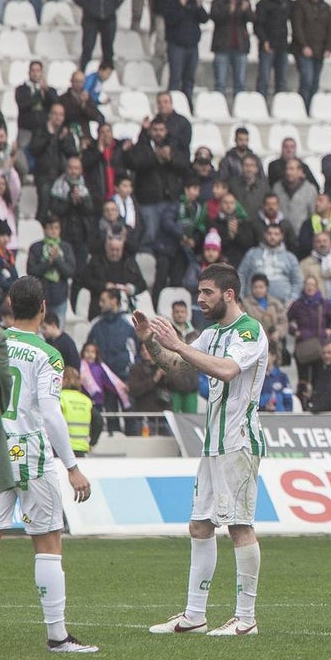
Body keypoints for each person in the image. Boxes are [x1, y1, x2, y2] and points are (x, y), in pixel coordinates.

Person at [140, 263, 269, 637]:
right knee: (200, 526)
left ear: (229, 294)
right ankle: (194, 615)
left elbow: (227, 371)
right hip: (213, 444)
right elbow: (177, 366)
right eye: (199, 292)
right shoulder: (212, 333)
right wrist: (150, 340)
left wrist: (179, 342)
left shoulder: (250, 331)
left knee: (240, 527)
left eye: (206, 292)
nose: (199, 299)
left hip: (239, 441)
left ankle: (246, 618)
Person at [0, 277, 97, 652]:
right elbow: (51, 413)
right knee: (48, 540)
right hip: (30, 452)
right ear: (43, 307)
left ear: (9, 304)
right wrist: (72, 466)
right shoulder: (46, 354)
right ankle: (58, 636)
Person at [162, 0, 209, 104]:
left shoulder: (193, 3)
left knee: (189, 78)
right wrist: (181, 7)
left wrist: (199, 6)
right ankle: (173, 104)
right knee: (175, 77)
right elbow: (171, 20)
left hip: (192, 45)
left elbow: (204, 19)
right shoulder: (170, 3)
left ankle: (187, 104)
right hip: (176, 45)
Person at [291, 0, 331, 112]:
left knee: (315, 82)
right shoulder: (300, 4)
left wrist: (328, 47)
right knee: (307, 80)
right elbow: (297, 26)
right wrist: (304, 45)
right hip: (304, 49)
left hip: (320, 49)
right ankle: (302, 107)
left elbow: (330, 28)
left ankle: (311, 108)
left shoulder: (325, 6)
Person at [209, 0, 254, 98]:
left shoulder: (244, 2)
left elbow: (252, 18)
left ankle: (239, 107)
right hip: (222, 46)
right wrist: (230, 11)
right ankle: (219, 107)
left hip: (240, 46)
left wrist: (246, 10)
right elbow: (215, 17)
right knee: (220, 82)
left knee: (240, 82)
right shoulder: (217, 3)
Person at [27, 215, 77, 324]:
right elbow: (31, 271)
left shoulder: (66, 247)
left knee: (57, 331)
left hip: (59, 296)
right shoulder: (36, 247)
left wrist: (57, 260)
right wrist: (48, 262)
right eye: (50, 228)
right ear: (44, 229)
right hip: (40, 297)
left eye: (56, 228)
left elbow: (70, 271)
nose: (53, 231)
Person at [60, 366, 102, 458]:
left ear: (65, 380)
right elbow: (99, 421)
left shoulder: (59, 398)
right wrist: (92, 442)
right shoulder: (86, 400)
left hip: (61, 449)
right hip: (81, 449)